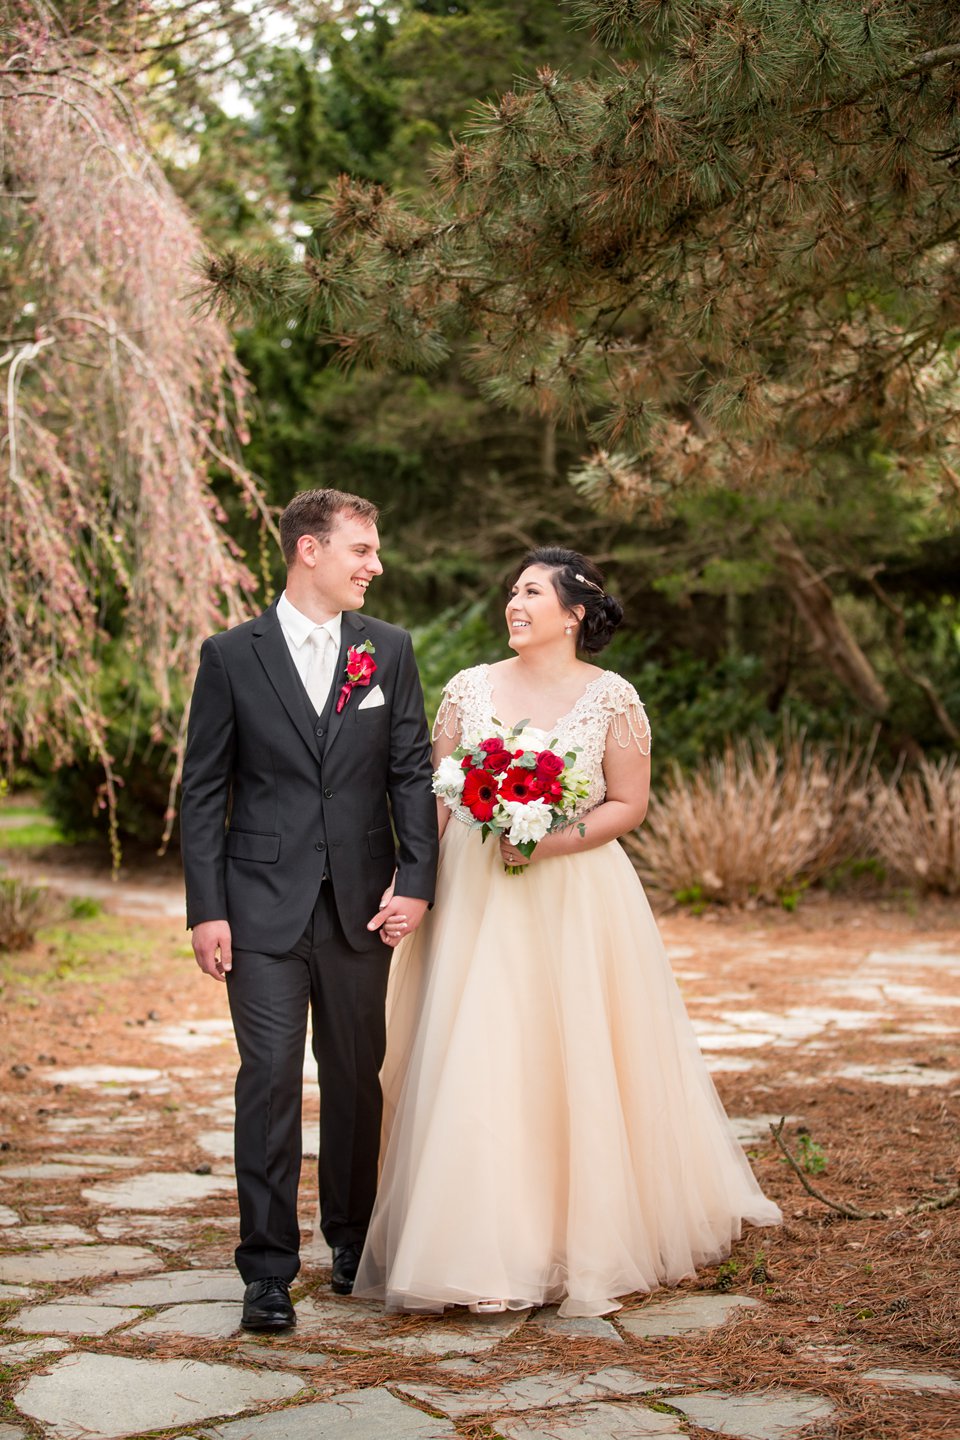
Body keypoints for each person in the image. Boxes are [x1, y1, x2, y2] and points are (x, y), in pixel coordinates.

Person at [354, 546, 781, 1317]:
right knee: (480, 1053)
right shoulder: (467, 689)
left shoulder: (612, 698)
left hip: (574, 896)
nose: (513, 604)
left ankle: (573, 1238)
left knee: (568, 1054)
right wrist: (411, 879)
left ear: (575, 613)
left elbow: (627, 803)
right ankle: (481, 1248)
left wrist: (549, 838)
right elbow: (438, 797)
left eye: (530, 592)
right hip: (477, 895)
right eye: (511, 592)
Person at [180, 488, 438, 1332]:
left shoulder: (389, 650)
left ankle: (352, 1240)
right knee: (267, 1082)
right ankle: (264, 1270)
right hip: (258, 909)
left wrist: (415, 880)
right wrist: (206, 908)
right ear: (310, 551)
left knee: (358, 1081)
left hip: (362, 906)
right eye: (363, 549)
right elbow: (204, 790)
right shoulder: (230, 655)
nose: (377, 564)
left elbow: (409, 771)